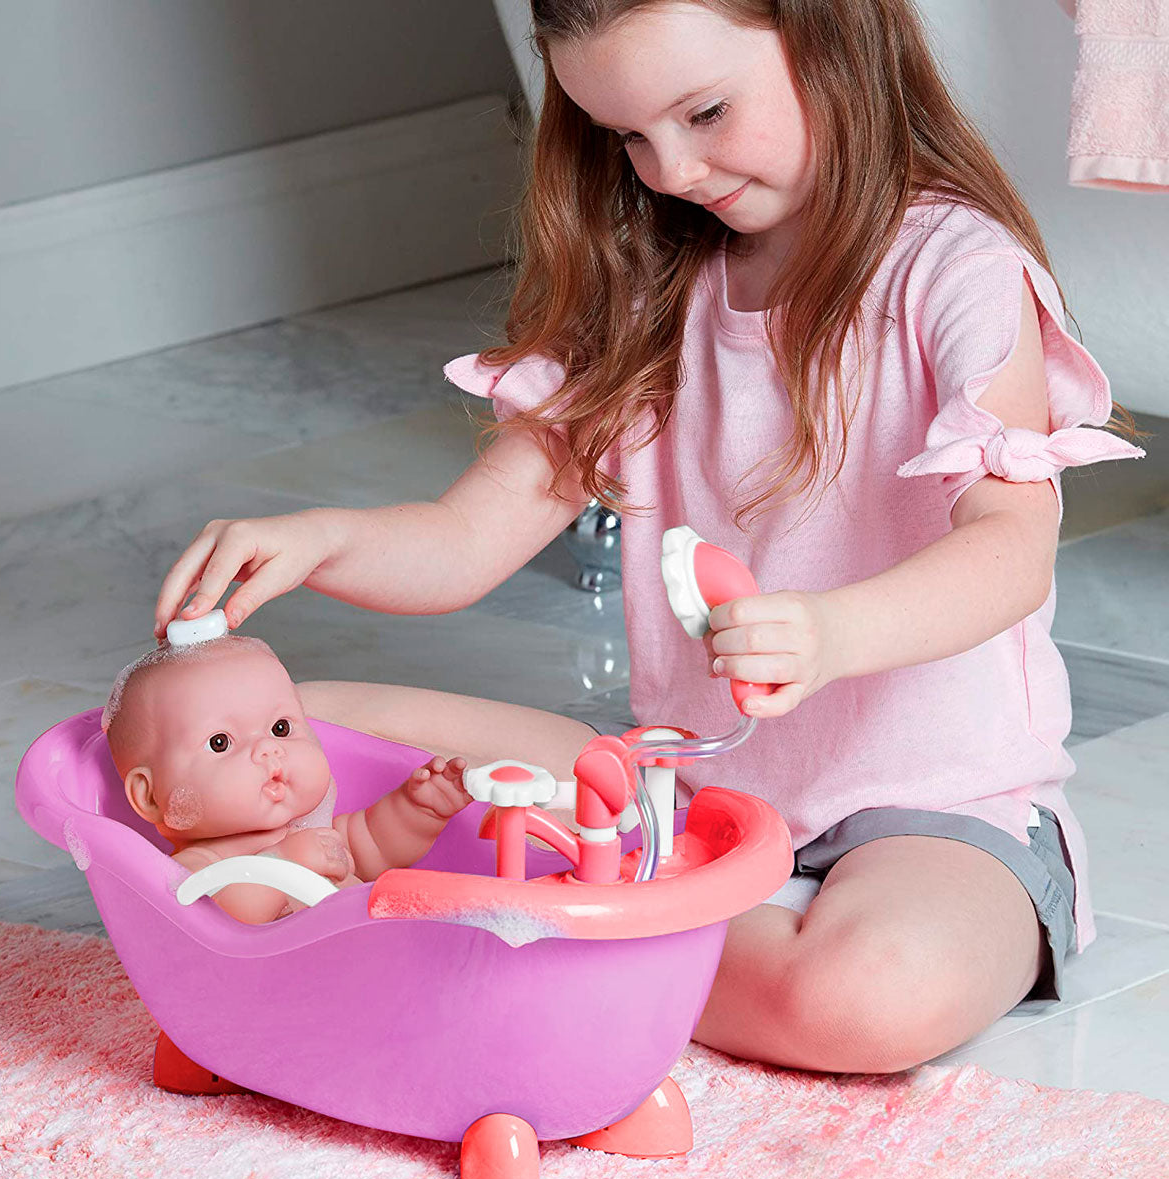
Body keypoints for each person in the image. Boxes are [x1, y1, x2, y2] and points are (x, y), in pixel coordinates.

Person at [152, 1, 1144, 1071]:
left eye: (705, 112)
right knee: (283, 724)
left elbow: (1008, 546)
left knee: (863, 1002)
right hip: (689, 788)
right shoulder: (656, 287)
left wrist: (829, 634)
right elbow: (462, 540)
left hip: (931, 803)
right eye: (628, 135)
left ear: (831, 32)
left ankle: (535, 924)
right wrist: (318, 540)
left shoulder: (956, 270)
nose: (669, 169)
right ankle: (574, 908)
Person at [103, 633, 473, 924]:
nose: (268, 750)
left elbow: (374, 846)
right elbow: (223, 913)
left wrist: (416, 811)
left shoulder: (311, 833)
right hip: (294, 993)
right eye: (220, 742)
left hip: (371, 965)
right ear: (151, 796)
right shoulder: (198, 867)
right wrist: (285, 861)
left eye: (280, 728)